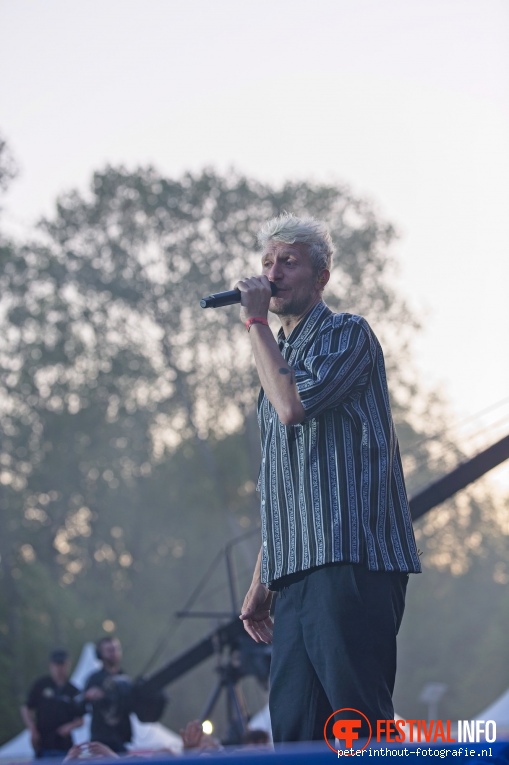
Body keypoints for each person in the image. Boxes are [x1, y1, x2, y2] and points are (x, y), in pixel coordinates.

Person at [236, 213, 422, 744]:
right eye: (267, 262)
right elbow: (281, 484)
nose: (273, 272)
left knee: (358, 725)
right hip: (294, 572)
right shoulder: (277, 358)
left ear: (322, 277)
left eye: (288, 262)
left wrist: (254, 324)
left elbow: (294, 407)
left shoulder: (347, 334)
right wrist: (262, 580)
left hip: (348, 559)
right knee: (294, 731)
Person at [21, 649, 83, 759]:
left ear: (68, 664)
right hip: (43, 743)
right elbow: (26, 708)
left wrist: (69, 726)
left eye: (62, 664)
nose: (59, 668)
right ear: (51, 665)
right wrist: (32, 729)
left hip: (64, 745)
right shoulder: (41, 685)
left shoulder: (73, 691)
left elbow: (81, 720)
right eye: (56, 664)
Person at [82, 637, 133, 754]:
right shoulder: (94, 679)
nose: (114, 653)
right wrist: (90, 696)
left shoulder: (124, 678)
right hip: (101, 740)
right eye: (109, 650)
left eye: (116, 649)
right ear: (100, 654)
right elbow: (80, 706)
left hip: (121, 739)